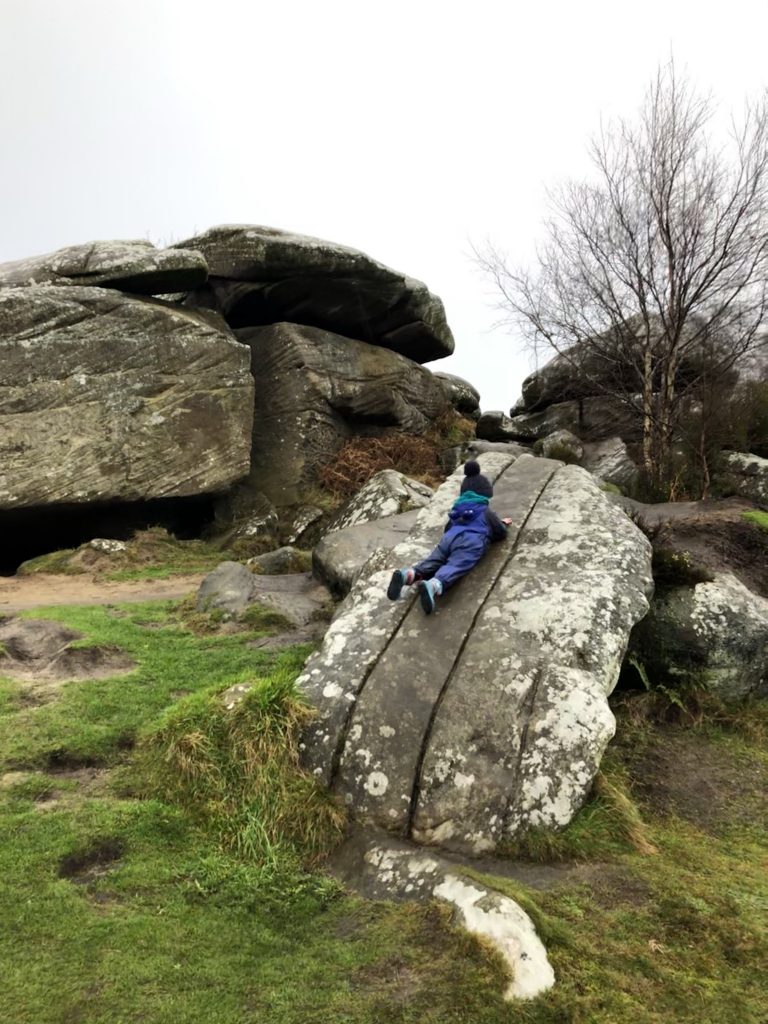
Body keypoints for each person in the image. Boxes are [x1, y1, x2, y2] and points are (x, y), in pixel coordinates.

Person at [386, 460, 512, 614]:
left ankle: (409, 574)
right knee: (456, 564)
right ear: (485, 493)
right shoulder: (485, 511)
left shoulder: (457, 509)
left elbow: (447, 529)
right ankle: (434, 584)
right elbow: (500, 533)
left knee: (434, 559)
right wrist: (503, 524)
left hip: (448, 539)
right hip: (470, 542)